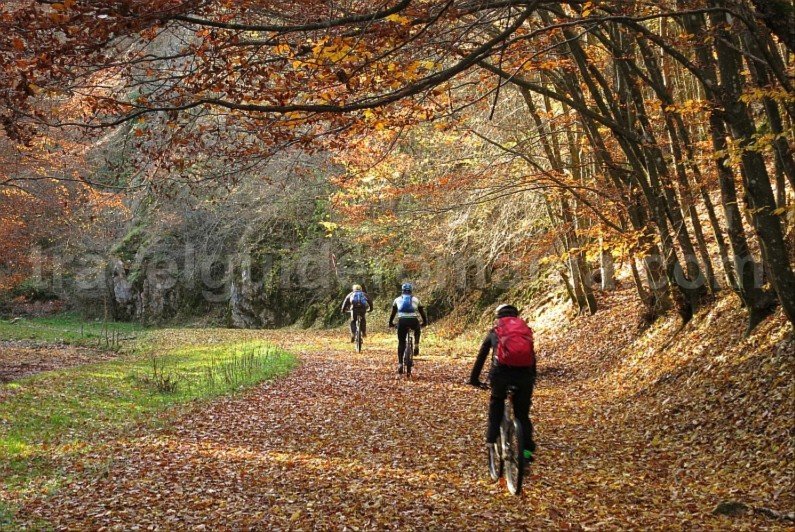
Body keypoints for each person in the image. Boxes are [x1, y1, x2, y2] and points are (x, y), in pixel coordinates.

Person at [469, 303, 537, 464]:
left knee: (497, 402)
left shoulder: (495, 332)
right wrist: (532, 378)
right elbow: (532, 358)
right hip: (524, 376)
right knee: (522, 416)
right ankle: (526, 454)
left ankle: (491, 440)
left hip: (501, 375)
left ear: (498, 317)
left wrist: (474, 379)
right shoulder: (525, 332)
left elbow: (481, 356)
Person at [388, 283, 428, 374]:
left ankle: (400, 364)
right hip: (413, 321)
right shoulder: (415, 299)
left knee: (401, 342)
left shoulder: (397, 299)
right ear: (411, 290)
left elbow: (393, 313)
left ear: (402, 290)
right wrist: (424, 322)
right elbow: (422, 313)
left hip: (402, 321)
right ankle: (416, 343)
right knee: (417, 329)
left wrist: (390, 323)